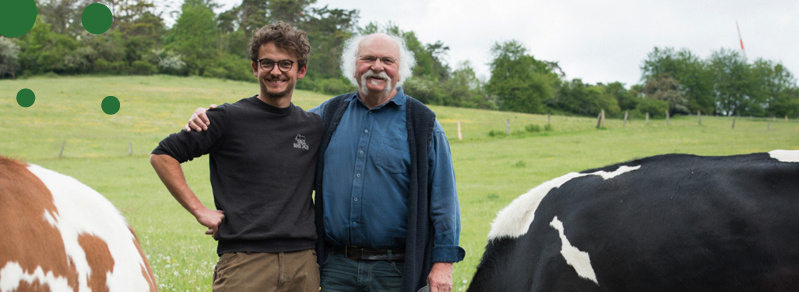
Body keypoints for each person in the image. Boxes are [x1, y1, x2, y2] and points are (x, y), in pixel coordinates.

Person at [187, 33, 465, 292]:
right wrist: (215, 117)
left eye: (387, 61)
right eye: (368, 58)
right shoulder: (326, 116)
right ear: (353, 65)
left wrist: (443, 265)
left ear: (400, 69)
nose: (377, 66)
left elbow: (444, 202)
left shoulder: (422, 124)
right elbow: (274, 129)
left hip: (396, 269)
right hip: (335, 268)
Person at [150, 22, 323, 291]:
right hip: (244, 263)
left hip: (303, 264)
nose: (275, 71)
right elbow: (163, 155)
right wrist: (200, 211)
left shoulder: (313, 126)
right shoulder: (227, 118)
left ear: (301, 70)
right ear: (255, 68)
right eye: (267, 63)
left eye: (285, 64)